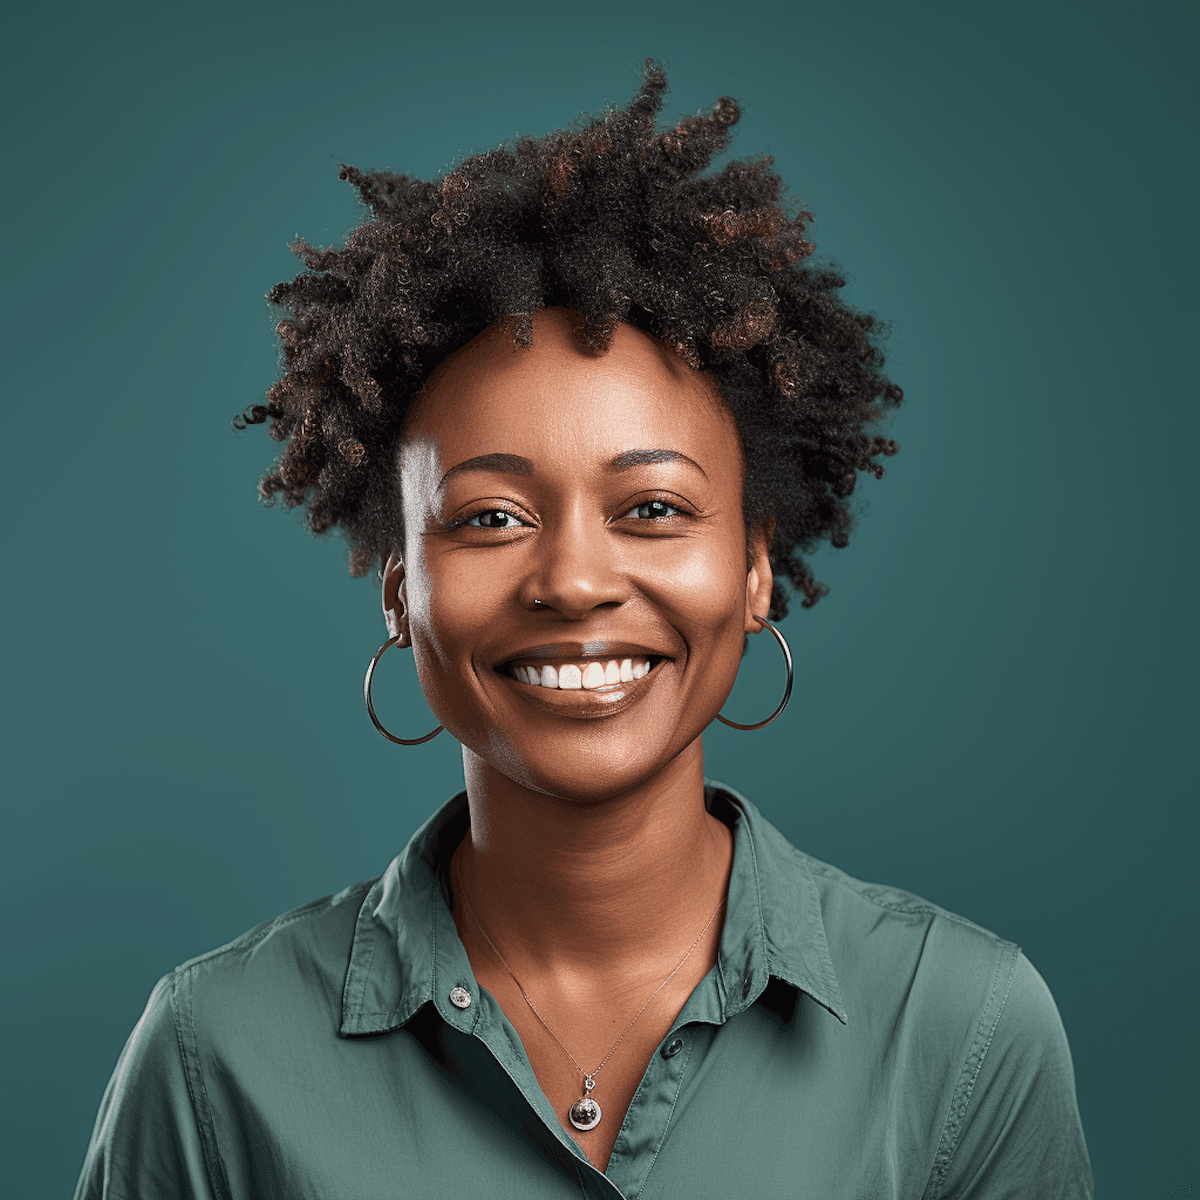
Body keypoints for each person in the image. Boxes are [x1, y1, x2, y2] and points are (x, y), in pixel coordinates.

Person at [75, 63, 1092, 1198]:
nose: (571, 579)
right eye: (491, 517)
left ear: (754, 569)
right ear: (400, 591)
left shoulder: (962, 1034)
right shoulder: (217, 1059)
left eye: (651, 509)